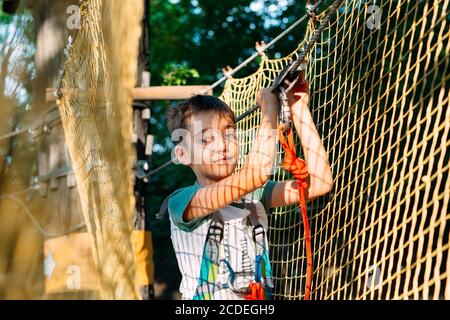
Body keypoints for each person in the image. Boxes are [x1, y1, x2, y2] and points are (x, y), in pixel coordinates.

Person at [162, 79, 333, 300]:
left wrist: (298, 106)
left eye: (229, 134)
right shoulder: (182, 201)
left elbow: (320, 183)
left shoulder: (253, 196)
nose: (222, 146)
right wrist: (269, 109)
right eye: (206, 139)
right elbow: (255, 175)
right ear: (183, 155)